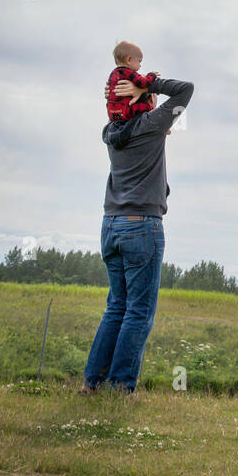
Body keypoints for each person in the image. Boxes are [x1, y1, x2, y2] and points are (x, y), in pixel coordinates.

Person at [82, 67, 194, 394]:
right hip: (141, 226)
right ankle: (120, 386)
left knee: (116, 306)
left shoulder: (112, 130)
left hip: (111, 224)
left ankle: (94, 382)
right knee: (139, 310)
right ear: (145, 100)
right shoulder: (152, 123)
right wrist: (146, 84)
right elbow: (185, 89)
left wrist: (136, 93)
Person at [106, 39, 158, 123]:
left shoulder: (113, 74)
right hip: (126, 111)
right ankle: (158, 122)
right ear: (129, 59)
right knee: (147, 107)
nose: (140, 65)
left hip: (113, 115)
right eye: (139, 61)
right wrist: (151, 75)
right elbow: (143, 83)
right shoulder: (128, 72)